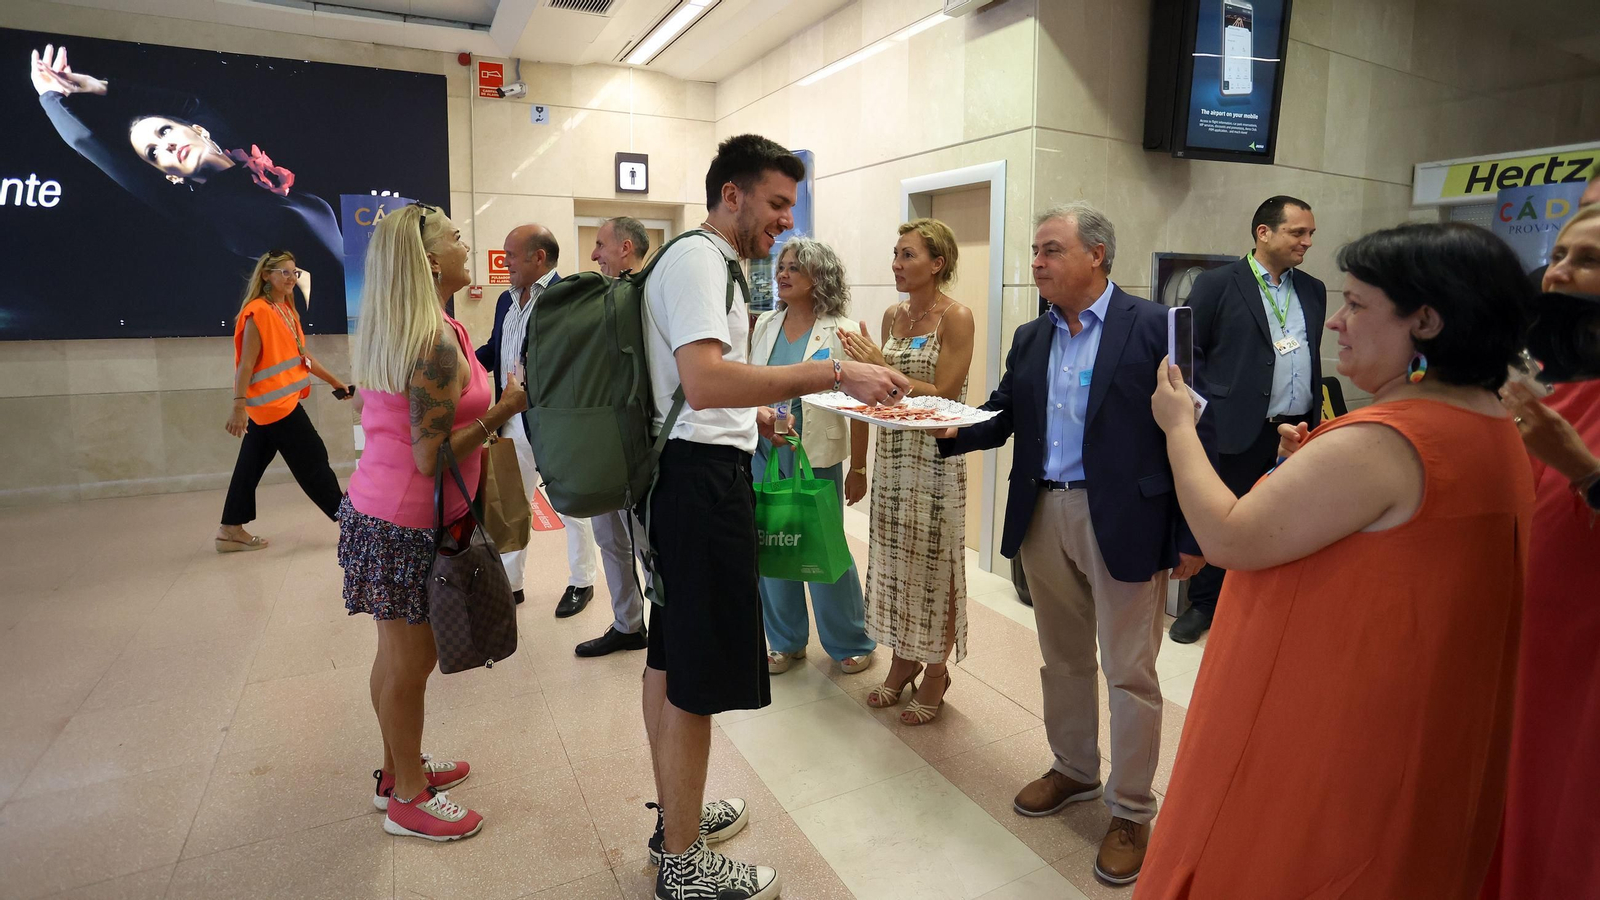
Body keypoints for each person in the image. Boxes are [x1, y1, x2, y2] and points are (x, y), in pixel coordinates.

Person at [1136, 223, 1535, 900]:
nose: (1339, 324)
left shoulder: (1389, 441)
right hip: (1419, 725)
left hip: (1335, 733)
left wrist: (1178, 427)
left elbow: (1229, 536)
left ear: (1428, 321)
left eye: (1357, 305)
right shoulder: (1493, 422)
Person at [640, 133, 907, 900]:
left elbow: (705, 391)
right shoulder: (698, 260)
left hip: (695, 473)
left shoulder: (709, 262)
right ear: (734, 195)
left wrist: (751, 422)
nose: (786, 224)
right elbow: (704, 380)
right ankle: (684, 863)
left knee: (668, 659)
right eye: (778, 204)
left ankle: (676, 819)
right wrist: (835, 371)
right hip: (698, 488)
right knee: (694, 676)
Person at [935, 202, 1208, 885]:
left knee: (1130, 672)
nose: (1035, 262)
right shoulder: (1032, 336)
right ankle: (1076, 769)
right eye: (1033, 250)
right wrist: (942, 427)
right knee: (1062, 659)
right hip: (1042, 514)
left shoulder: (1157, 327)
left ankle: (1132, 810)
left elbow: (1188, 435)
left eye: (1049, 250)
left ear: (1097, 256)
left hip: (1125, 522)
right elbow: (1002, 412)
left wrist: (1190, 532)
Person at [341, 202, 528, 841]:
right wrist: (505, 409)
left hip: (389, 513)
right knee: (409, 663)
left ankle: (400, 770)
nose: (463, 243)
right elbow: (430, 455)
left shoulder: (425, 324)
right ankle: (409, 800)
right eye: (453, 237)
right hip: (406, 522)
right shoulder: (433, 341)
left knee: (396, 657)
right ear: (428, 260)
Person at [30, 44, 343, 307]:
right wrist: (50, 97)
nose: (165, 145)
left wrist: (94, 85)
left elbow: (189, 103)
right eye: (153, 153)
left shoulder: (259, 174)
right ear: (169, 176)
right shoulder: (200, 211)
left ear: (200, 130)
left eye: (165, 130)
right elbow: (87, 144)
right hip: (341, 323)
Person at [1486, 205, 1600, 900]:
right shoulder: (1555, 376)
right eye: (1559, 253)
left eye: (1586, 259)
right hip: (1531, 646)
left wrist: (1588, 474)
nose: (1559, 270)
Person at [475, 225, 642, 643]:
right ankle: (510, 583)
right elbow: (498, 348)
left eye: (512, 255)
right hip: (511, 419)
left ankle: (581, 582)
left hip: (553, 423)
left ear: (538, 258)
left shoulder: (570, 297)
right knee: (511, 502)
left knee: (572, 506)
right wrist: (462, 363)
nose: (505, 263)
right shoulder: (505, 301)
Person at [1171, 196, 1326, 643]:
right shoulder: (1219, 284)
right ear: (1264, 232)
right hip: (1236, 426)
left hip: (1296, 427)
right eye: (1298, 232)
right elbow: (1189, 355)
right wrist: (1203, 416)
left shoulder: (1312, 289)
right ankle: (1204, 606)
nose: (1307, 242)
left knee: (1282, 518)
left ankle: (1265, 605)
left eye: (1310, 233)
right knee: (1224, 517)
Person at [840, 218, 975, 727]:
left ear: (937, 264)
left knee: (934, 567)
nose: (896, 264)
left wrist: (881, 364)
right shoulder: (894, 313)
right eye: (896, 255)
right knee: (896, 563)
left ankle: (936, 670)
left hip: (935, 462)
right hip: (894, 460)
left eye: (908, 256)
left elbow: (944, 393)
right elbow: (871, 394)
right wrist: (860, 464)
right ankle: (903, 659)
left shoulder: (956, 318)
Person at [749, 237, 875, 676]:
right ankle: (785, 641)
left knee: (825, 546)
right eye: (781, 266)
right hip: (764, 452)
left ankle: (849, 640)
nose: (781, 274)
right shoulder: (765, 323)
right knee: (773, 543)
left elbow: (861, 405)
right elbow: (750, 385)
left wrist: (859, 467)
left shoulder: (841, 332)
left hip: (814, 454)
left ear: (818, 278)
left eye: (793, 269)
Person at [217, 250, 350, 552]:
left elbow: (302, 357)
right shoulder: (259, 312)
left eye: (294, 272)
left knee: (250, 465)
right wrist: (238, 406)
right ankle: (349, 523)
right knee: (313, 458)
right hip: (275, 407)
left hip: (275, 406)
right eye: (284, 272)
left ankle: (229, 529)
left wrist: (333, 380)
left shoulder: (285, 311)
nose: (291, 278)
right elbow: (245, 365)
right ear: (266, 275)